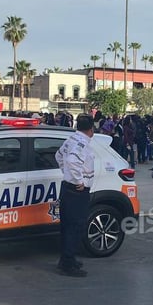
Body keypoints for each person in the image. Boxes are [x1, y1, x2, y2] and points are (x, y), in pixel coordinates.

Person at [54, 114, 95, 277]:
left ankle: (66, 259)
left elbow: (58, 156)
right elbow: (72, 160)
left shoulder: (71, 139)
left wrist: (66, 173)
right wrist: (79, 180)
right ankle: (68, 264)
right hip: (76, 191)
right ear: (91, 129)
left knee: (67, 226)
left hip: (67, 187)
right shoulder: (82, 143)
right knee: (75, 227)